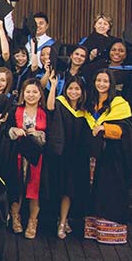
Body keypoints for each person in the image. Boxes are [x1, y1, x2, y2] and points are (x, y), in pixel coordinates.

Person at [83, 69, 132, 245]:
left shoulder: (119, 104)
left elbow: (126, 131)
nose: (101, 84)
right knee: (94, 192)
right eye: (98, 80)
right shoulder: (89, 102)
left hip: (112, 157)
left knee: (110, 191)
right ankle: (94, 230)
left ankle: (111, 233)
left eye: (105, 81)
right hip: (93, 157)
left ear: (111, 84)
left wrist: (105, 129)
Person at [45, 75, 90, 239]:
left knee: (69, 191)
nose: (73, 91)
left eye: (77, 89)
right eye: (70, 88)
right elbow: (49, 108)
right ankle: (59, 220)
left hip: (77, 157)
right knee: (59, 189)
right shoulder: (59, 104)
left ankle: (63, 221)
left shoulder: (85, 111)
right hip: (60, 154)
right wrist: (54, 86)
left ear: (82, 92)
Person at [5, 79, 47, 239]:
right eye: (28, 92)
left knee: (34, 190)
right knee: (18, 187)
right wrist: (15, 130)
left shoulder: (45, 112)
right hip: (18, 154)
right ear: (23, 93)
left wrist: (38, 134)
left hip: (38, 157)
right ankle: (15, 217)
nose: (31, 95)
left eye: (35, 92)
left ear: (40, 94)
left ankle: (32, 221)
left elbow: (49, 134)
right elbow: (6, 131)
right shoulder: (15, 110)